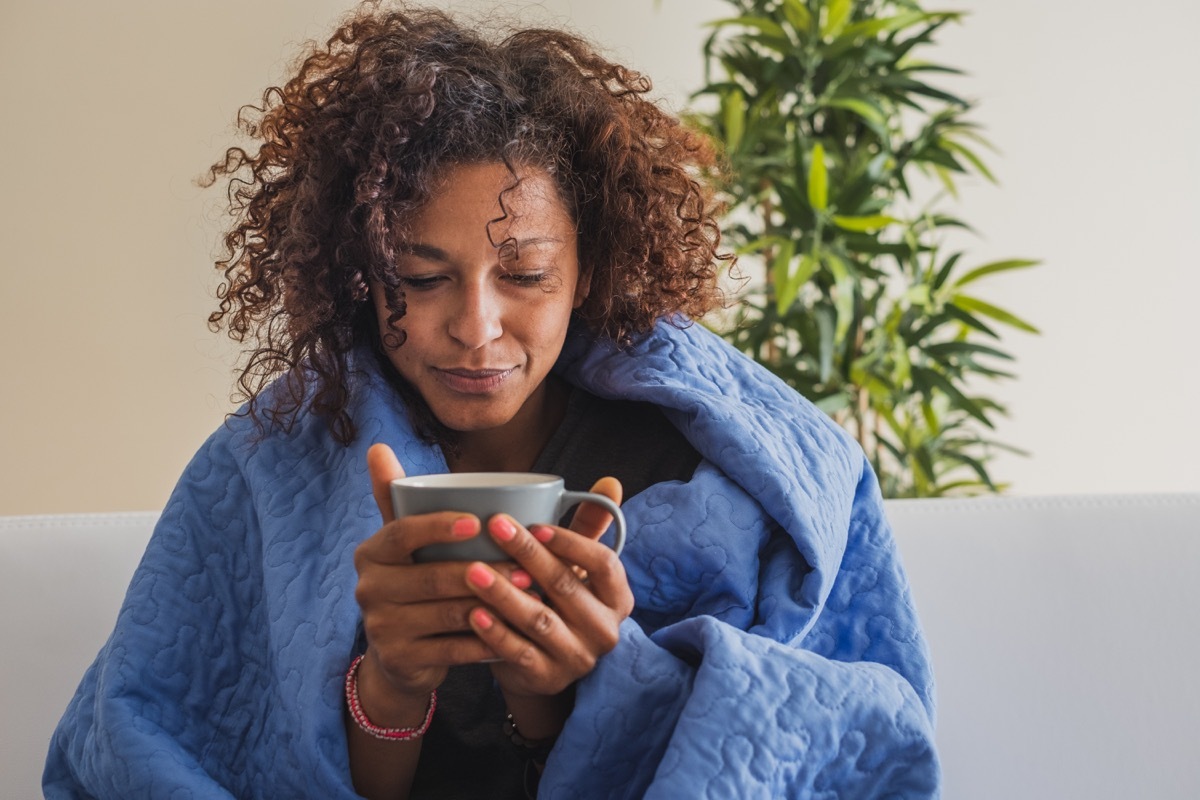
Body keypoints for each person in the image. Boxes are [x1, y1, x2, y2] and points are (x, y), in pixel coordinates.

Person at [44, 3, 940, 798]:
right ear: (360, 273)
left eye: (526, 274)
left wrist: (580, 694)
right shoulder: (276, 461)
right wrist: (388, 682)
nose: (475, 327)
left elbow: (837, 736)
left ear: (590, 267)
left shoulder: (708, 467)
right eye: (422, 278)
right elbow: (154, 743)